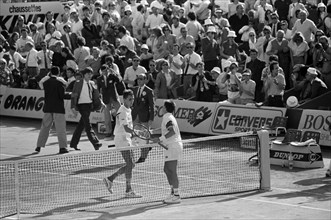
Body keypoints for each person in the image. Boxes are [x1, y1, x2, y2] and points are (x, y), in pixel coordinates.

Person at [103, 89, 142, 198]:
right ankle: (128, 190)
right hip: (122, 139)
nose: (132, 101)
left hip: (127, 138)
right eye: (130, 99)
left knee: (132, 164)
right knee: (130, 164)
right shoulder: (123, 111)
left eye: (133, 99)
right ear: (124, 99)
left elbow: (129, 127)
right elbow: (126, 128)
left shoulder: (128, 109)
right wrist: (136, 133)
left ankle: (110, 179)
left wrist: (135, 132)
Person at [152, 100, 183, 204]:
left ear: (165, 108)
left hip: (173, 146)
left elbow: (172, 131)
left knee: (172, 170)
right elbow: (166, 129)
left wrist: (160, 139)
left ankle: (177, 195)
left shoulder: (167, 117)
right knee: (166, 169)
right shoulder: (168, 117)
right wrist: (153, 131)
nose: (162, 108)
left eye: (163, 106)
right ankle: (173, 192)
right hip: (170, 146)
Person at [35, 66, 69, 154]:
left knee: (44, 127)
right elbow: (62, 94)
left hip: (48, 107)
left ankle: (39, 146)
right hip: (58, 108)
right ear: (59, 73)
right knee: (60, 128)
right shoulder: (60, 82)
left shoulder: (46, 82)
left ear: (50, 72)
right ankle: (62, 147)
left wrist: (47, 77)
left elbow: (40, 83)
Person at [70, 67, 103, 151]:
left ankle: (73, 144)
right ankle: (96, 143)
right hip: (82, 106)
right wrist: (73, 107)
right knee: (88, 125)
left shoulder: (92, 83)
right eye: (88, 73)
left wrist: (100, 103)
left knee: (81, 125)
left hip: (89, 106)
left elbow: (96, 95)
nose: (89, 75)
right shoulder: (78, 83)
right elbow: (74, 95)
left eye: (91, 74)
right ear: (83, 75)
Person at [132, 73, 155, 163]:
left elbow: (152, 106)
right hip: (135, 116)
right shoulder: (134, 90)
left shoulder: (149, 91)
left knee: (144, 137)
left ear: (145, 80)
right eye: (138, 79)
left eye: (141, 79)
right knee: (136, 136)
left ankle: (143, 156)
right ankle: (139, 152)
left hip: (144, 116)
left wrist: (151, 118)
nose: (139, 80)